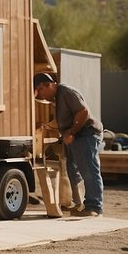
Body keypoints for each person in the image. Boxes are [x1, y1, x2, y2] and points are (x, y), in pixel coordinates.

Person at [33, 72, 104, 217]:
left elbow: (83, 112)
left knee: (89, 171)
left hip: (86, 134)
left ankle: (94, 207)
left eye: (41, 89)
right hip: (75, 136)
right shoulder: (56, 98)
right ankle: (80, 205)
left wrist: (71, 132)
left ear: (51, 84)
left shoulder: (66, 92)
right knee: (73, 171)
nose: (40, 94)